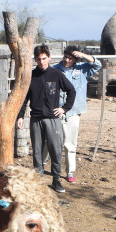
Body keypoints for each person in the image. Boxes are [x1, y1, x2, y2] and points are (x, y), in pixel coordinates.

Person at [17, 44, 76, 193]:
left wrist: (64, 108)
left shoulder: (56, 74)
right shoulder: (31, 76)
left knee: (55, 150)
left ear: (49, 57)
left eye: (44, 58)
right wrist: (20, 116)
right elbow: (24, 99)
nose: (42, 61)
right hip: (36, 119)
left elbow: (71, 91)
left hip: (52, 119)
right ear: (35, 60)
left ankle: (56, 180)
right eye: (38, 59)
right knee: (37, 151)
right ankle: (39, 182)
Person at [46, 45, 102, 184]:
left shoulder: (82, 69)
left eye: (70, 58)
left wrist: (83, 55)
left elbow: (97, 65)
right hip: (55, 111)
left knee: (70, 143)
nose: (66, 60)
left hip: (73, 111)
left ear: (75, 59)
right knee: (50, 141)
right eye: (65, 56)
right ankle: (42, 166)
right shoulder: (54, 70)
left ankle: (70, 171)